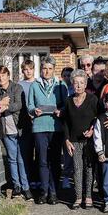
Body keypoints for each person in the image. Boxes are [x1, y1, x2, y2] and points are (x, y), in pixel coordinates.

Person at [26, 56, 68, 205]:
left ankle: (54, 192)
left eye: (50, 69)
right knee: (42, 160)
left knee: (55, 161)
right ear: (41, 69)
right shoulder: (35, 85)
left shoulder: (61, 84)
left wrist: (60, 111)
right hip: (39, 126)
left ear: (54, 69)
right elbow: (30, 105)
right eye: (44, 68)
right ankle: (43, 192)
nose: (47, 71)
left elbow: (66, 105)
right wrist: (33, 110)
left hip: (56, 127)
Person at [0, 66, 33, 201]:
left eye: (2, 75)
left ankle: (26, 187)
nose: (0, 78)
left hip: (20, 129)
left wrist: (5, 106)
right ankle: (17, 186)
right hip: (5, 130)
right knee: (12, 159)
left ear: (8, 75)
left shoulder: (17, 87)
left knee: (21, 159)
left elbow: (19, 105)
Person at [62, 69, 99, 209]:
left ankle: (88, 196)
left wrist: (93, 130)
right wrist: (66, 140)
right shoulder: (68, 101)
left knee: (89, 169)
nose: (78, 85)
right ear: (72, 84)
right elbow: (65, 122)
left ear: (85, 84)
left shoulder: (93, 99)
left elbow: (99, 117)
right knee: (77, 169)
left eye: (81, 83)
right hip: (74, 141)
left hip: (89, 141)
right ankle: (78, 197)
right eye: (76, 83)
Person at [17, 59, 38, 188]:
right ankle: (28, 180)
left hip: (38, 120)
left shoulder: (39, 83)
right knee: (27, 152)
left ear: (34, 69)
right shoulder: (19, 85)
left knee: (40, 153)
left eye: (30, 69)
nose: (28, 71)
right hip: (25, 122)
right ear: (22, 71)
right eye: (25, 69)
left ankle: (38, 179)